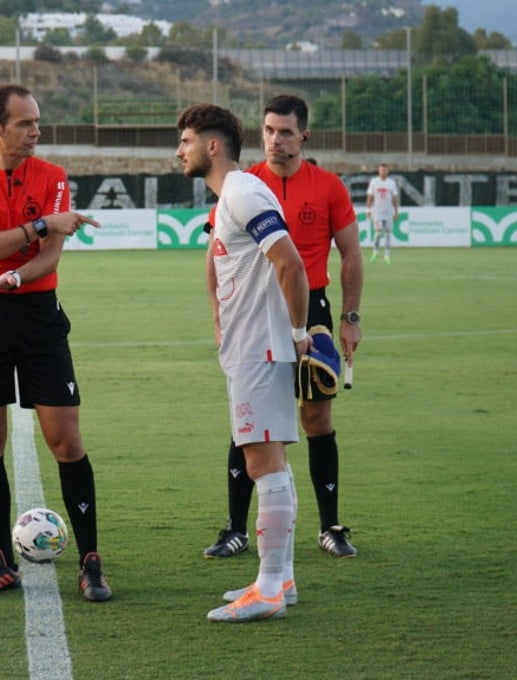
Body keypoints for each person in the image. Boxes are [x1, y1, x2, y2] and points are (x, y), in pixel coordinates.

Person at [0, 82, 111, 602]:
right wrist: (39, 224)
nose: (37, 131)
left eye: (38, 122)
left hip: (38, 314)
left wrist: (15, 274)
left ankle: (91, 562)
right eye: (25, 123)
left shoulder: (54, 177)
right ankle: (0, 561)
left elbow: (50, 256)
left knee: (66, 440)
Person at [204, 94, 363, 560]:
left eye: (286, 132)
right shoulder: (244, 184)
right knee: (248, 421)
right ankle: (234, 527)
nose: (275, 140)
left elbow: (351, 254)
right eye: (269, 131)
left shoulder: (329, 187)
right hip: (255, 311)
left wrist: (350, 319)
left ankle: (330, 526)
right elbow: (214, 256)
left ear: (304, 136)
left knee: (316, 419)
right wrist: (218, 319)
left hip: (310, 310)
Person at [177, 103, 309, 622]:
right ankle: (283, 579)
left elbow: (291, 263)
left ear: (212, 146)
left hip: (262, 347)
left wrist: (298, 336)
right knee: (271, 459)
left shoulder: (243, 191)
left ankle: (270, 589)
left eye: (186, 141)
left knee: (261, 462)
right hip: (250, 346)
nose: (179, 151)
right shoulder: (235, 196)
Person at [366, 163, 399, 263]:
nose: (383, 172)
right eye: (381, 170)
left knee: (388, 233)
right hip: (377, 211)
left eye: (385, 170)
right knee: (379, 232)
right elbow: (370, 196)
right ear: (379, 171)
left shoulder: (391, 183)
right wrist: (367, 209)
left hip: (388, 211)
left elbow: (394, 198)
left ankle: (387, 255)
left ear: (388, 171)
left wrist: (396, 211)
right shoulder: (374, 182)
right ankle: (375, 252)